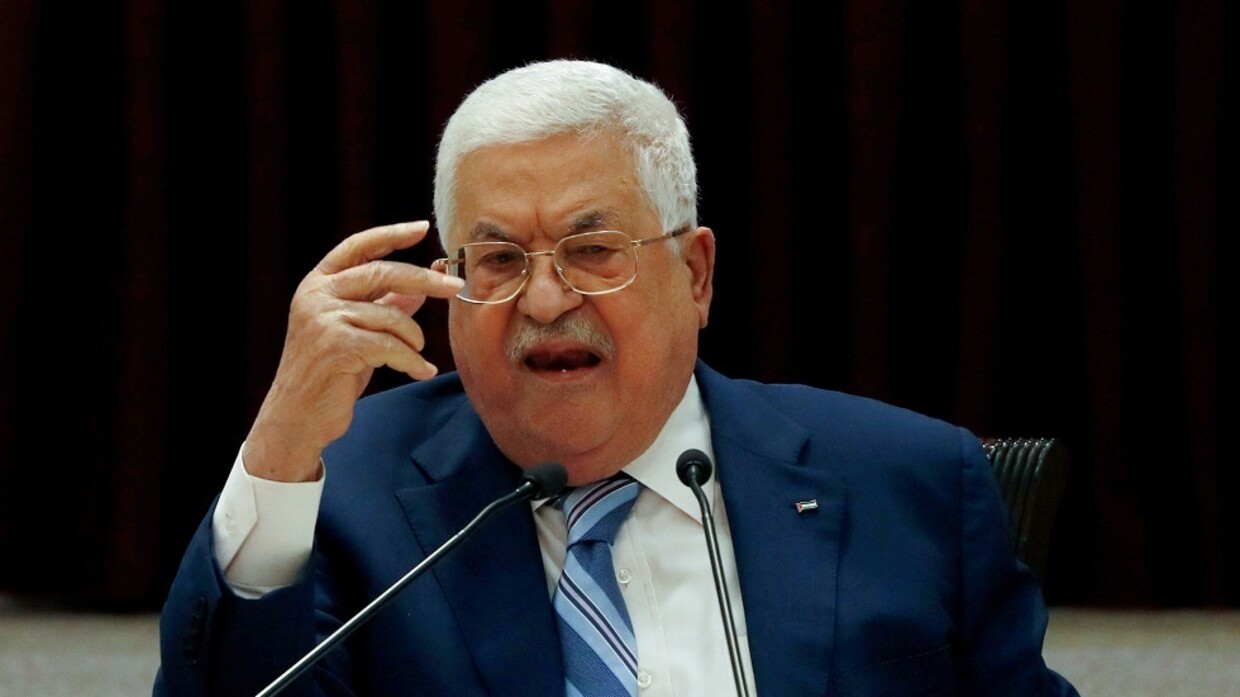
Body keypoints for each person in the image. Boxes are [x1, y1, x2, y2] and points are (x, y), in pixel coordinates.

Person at [153, 59, 1079, 697]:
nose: (545, 299)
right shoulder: (342, 497)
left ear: (696, 275)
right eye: (499, 259)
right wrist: (279, 450)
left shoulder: (909, 481)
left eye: (593, 250)